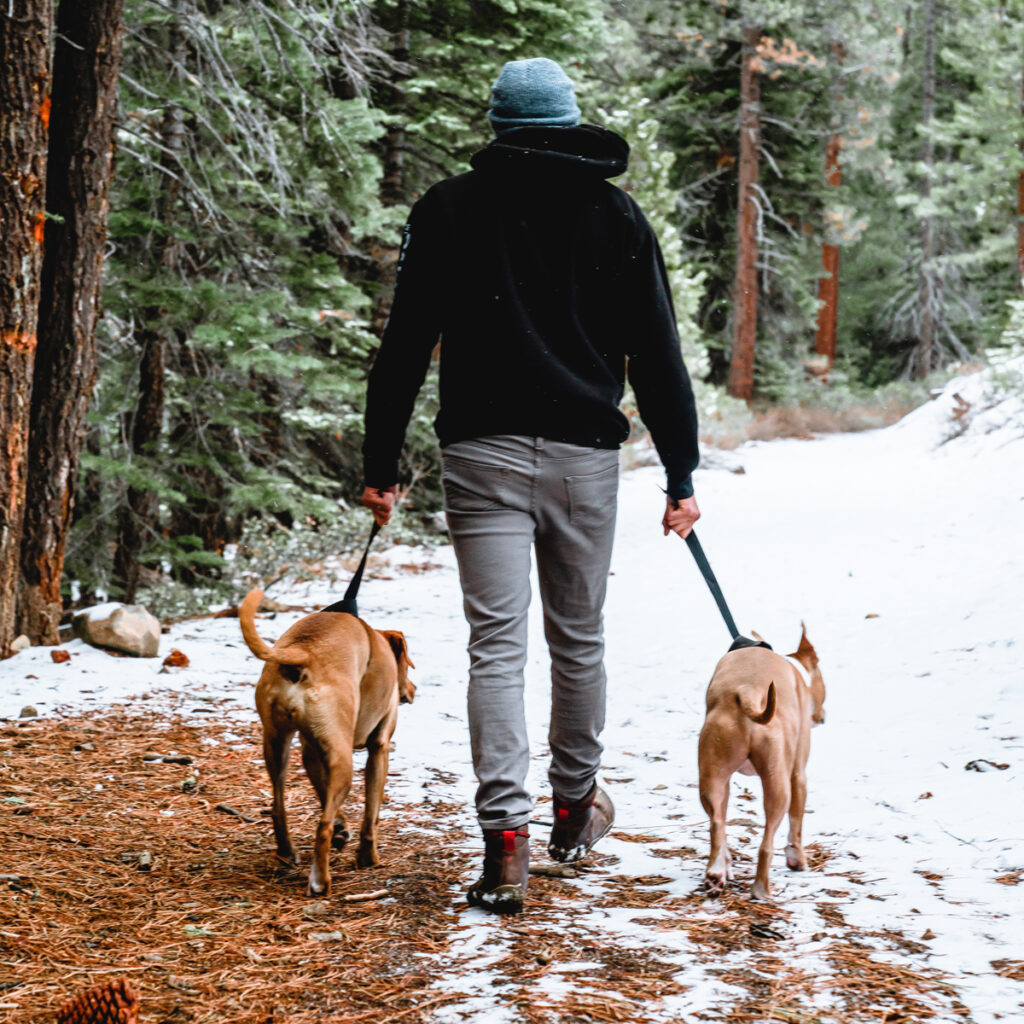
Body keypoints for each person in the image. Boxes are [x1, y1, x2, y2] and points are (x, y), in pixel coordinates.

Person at [360, 57, 700, 915]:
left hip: (481, 454)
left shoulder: (447, 211)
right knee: (578, 638)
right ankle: (576, 807)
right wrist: (680, 474)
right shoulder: (617, 214)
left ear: (499, 124)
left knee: (496, 647)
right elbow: (657, 353)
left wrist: (380, 466)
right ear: (570, 120)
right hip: (587, 458)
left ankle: (503, 844)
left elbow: (404, 345)